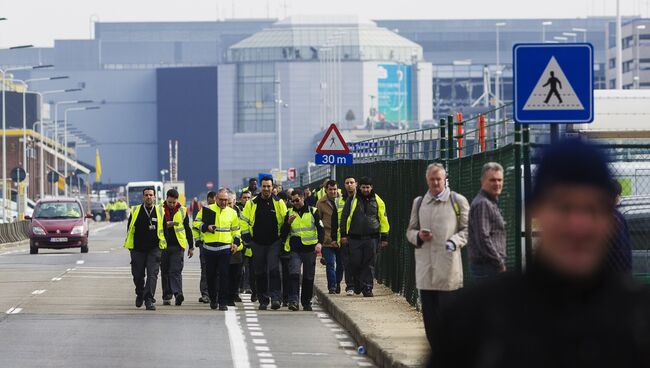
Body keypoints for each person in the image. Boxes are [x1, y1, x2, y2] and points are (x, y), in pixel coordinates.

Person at [430, 139, 650, 368]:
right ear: (535, 211)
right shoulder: (476, 319)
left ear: (611, 219)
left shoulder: (640, 320)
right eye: (563, 207)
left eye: (593, 209)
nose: (578, 225)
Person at [406, 163, 469, 349]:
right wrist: (418, 236)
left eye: (438, 179)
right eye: (432, 179)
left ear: (444, 180)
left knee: (449, 316)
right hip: (426, 271)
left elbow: (468, 230)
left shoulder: (457, 201)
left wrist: (454, 241)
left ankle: (450, 352)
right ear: (427, 180)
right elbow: (410, 230)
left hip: (448, 271)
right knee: (431, 320)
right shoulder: (419, 203)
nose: (435, 183)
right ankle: (437, 351)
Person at [241, 176, 288, 310]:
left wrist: (283, 238)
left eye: (269, 186)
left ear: (272, 187)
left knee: (274, 270)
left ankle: (276, 298)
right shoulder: (252, 203)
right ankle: (263, 300)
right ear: (261, 187)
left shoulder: (279, 202)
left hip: (274, 242)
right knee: (260, 273)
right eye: (264, 186)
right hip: (257, 243)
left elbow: (285, 221)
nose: (266, 189)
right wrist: (246, 236)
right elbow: (243, 220)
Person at [340, 176, 389, 297]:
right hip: (354, 238)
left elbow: (383, 219)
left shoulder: (378, 201)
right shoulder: (352, 200)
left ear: (371, 187)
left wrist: (384, 237)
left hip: (372, 238)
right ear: (359, 187)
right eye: (363, 187)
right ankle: (357, 284)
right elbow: (344, 217)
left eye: (368, 187)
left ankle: (367, 288)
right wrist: (343, 235)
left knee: (369, 264)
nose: (366, 190)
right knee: (355, 263)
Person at [194, 188, 240, 311]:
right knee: (211, 276)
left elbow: (236, 230)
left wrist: (235, 242)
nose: (224, 202)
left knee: (224, 275)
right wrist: (205, 227)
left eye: (226, 200)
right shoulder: (207, 209)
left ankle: (223, 302)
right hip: (209, 248)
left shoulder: (232, 213)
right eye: (221, 200)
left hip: (225, 248)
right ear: (216, 199)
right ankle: (213, 298)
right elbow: (195, 223)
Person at [280, 189, 324, 311]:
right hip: (295, 250)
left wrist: (319, 243)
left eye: (297, 200)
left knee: (308, 277)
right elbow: (283, 234)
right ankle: (293, 300)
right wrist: (288, 224)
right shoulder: (289, 214)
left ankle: (306, 302)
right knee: (294, 274)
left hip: (310, 249)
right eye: (292, 201)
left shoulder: (313, 211)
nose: (295, 203)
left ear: (302, 198)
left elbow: (321, 229)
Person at [124, 187, 166, 311]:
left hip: (154, 249)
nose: (148, 197)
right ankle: (140, 293)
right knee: (138, 275)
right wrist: (131, 247)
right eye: (146, 195)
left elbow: (164, 230)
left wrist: (162, 246)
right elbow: (130, 228)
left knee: (152, 274)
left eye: (151, 195)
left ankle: (148, 299)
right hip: (138, 249)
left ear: (154, 197)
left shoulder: (160, 211)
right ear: (143, 197)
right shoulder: (135, 210)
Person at [467, 162, 506, 280]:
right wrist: (499, 263)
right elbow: (483, 238)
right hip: (487, 268)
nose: (497, 184)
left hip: (488, 266)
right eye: (493, 180)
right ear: (483, 181)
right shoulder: (483, 203)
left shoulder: (489, 202)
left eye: (500, 180)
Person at [160, 189, 194, 306]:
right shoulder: (159, 210)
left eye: (174, 202)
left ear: (177, 200)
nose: (172, 205)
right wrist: (166, 225)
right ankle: (166, 295)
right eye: (170, 202)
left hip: (177, 246)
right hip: (163, 245)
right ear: (166, 198)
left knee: (175, 271)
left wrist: (191, 246)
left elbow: (187, 229)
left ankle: (178, 294)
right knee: (165, 271)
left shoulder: (182, 210)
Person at [317, 179, 347, 294]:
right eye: (330, 189)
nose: (333, 191)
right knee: (330, 263)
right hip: (327, 238)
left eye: (334, 189)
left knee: (340, 264)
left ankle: (338, 282)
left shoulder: (343, 200)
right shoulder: (321, 203)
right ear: (326, 190)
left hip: (340, 237)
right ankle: (332, 286)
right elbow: (318, 220)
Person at [193, 191, 217, 303]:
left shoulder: (225, 211)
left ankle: (216, 293)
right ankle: (206, 294)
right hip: (205, 244)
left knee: (218, 271)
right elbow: (195, 225)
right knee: (205, 270)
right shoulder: (204, 211)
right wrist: (198, 240)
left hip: (221, 245)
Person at [605, 179, 632, 274]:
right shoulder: (616, 217)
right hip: (617, 271)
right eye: (618, 195)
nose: (619, 198)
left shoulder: (616, 216)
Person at [227, 190, 245, 306]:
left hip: (238, 247)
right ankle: (227, 295)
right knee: (225, 273)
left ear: (234, 201)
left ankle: (234, 293)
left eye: (230, 202)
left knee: (237, 273)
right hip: (224, 247)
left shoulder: (240, 213)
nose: (228, 205)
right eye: (226, 202)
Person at [341, 176, 357, 295]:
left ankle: (359, 284)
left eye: (352, 182)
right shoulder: (341, 200)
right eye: (347, 183)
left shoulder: (360, 198)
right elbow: (341, 218)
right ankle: (350, 286)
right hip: (346, 236)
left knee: (359, 262)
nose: (350, 184)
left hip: (358, 235)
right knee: (347, 262)